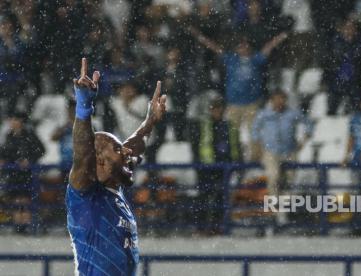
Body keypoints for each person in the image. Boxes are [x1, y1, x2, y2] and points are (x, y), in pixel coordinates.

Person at [66, 58, 167, 275]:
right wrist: (84, 107)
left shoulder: (115, 187)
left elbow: (134, 145)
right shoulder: (85, 196)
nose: (127, 152)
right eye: (119, 150)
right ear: (99, 161)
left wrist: (149, 122)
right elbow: (83, 154)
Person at [189, 27, 288, 160]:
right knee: (229, 133)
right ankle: (232, 158)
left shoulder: (256, 59)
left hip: (252, 103)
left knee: (255, 133)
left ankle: (255, 159)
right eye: (241, 46)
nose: (244, 48)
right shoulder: (231, 59)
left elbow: (268, 48)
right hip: (233, 104)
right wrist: (200, 37)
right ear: (236, 49)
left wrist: (281, 37)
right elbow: (215, 47)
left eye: (246, 46)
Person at [190, 96, 241, 235]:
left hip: (223, 168)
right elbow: (196, 145)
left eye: (219, 108)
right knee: (204, 197)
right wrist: (198, 164)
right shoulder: (203, 125)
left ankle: (217, 227)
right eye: (214, 108)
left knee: (220, 197)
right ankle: (201, 227)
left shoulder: (229, 126)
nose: (217, 111)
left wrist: (234, 163)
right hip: (206, 167)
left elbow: (235, 146)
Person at [252, 90, 312, 198]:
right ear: (271, 101)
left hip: (289, 151)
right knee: (273, 176)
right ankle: (274, 205)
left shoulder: (292, 113)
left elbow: (308, 123)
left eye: (282, 99)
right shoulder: (264, 114)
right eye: (276, 99)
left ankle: (285, 204)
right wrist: (258, 147)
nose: (279, 102)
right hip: (271, 151)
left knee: (290, 179)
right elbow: (255, 131)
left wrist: (303, 140)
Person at [0, 111, 45, 232]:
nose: (12, 122)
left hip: (26, 175)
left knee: (25, 200)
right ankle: (18, 226)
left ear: (21, 121)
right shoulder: (9, 136)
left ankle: (25, 226)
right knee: (15, 200)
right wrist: (4, 160)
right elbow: (4, 152)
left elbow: (40, 149)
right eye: (11, 119)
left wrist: (29, 160)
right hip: (13, 174)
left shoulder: (29, 135)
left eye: (15, 119)